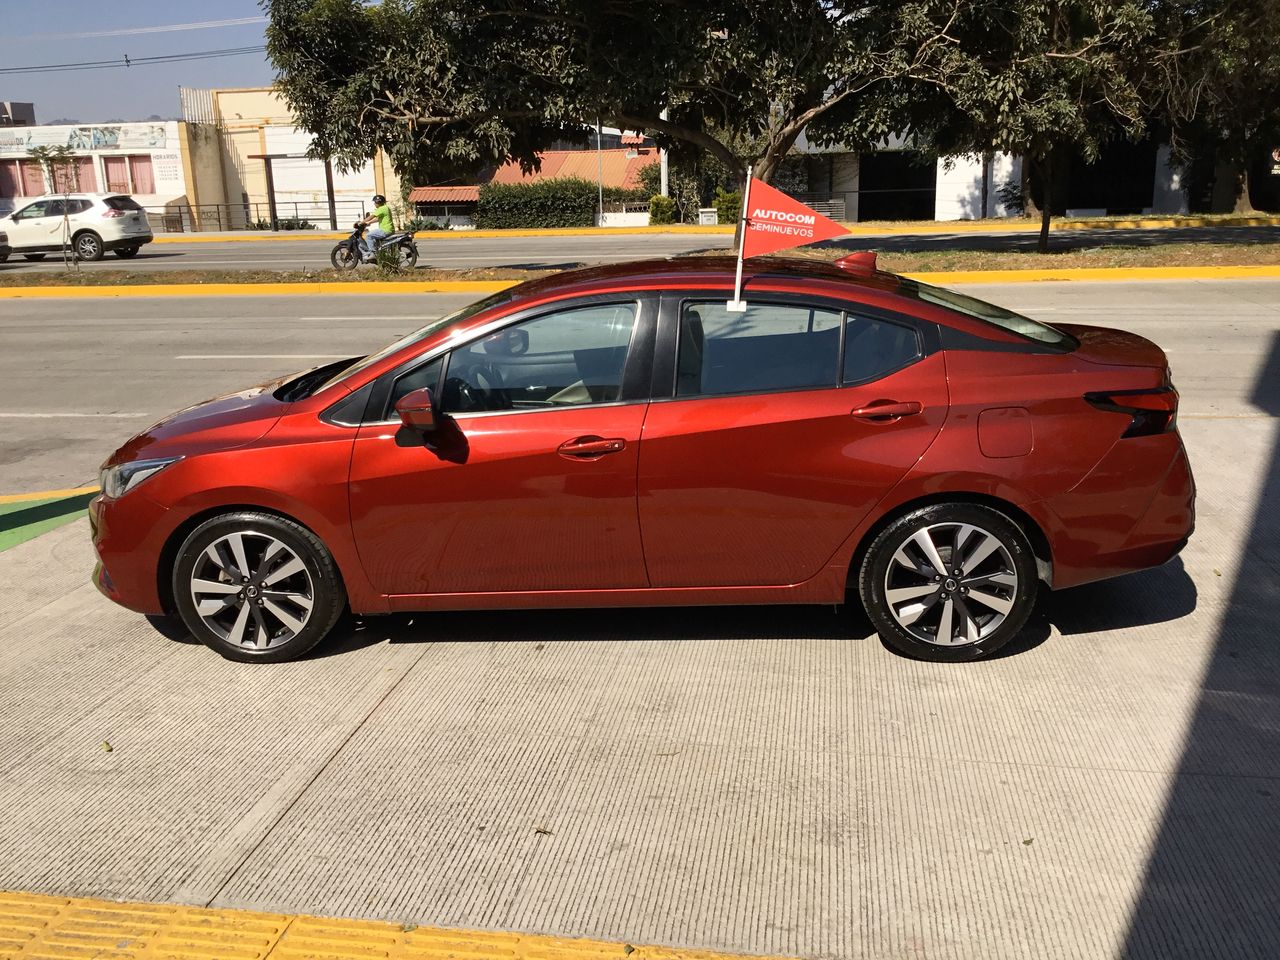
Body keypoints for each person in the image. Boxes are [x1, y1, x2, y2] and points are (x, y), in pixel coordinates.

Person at [360, 194, 394, 260]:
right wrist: (369, 222)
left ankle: (373, 253)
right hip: (388, 229)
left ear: (378, 202)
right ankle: (378, 252)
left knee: (369, 236)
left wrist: (361, 223)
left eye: (375, 202)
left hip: (385, 230)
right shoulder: (385, 208)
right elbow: (378, 218)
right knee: (373, 237)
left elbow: (371, 216)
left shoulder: (381, 209)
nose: (374, 204)